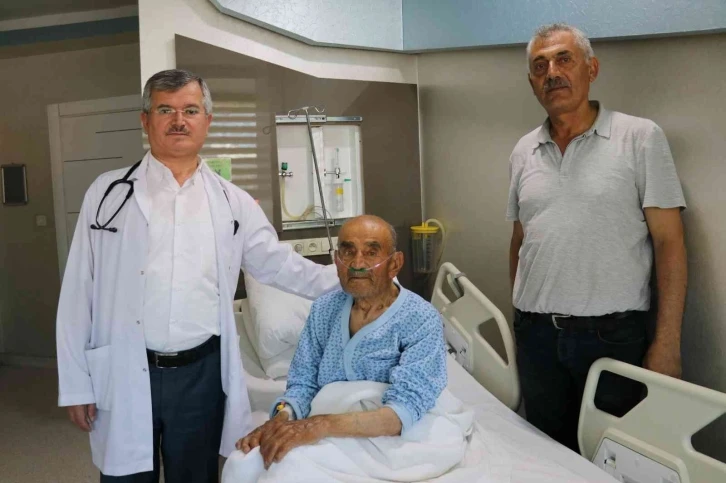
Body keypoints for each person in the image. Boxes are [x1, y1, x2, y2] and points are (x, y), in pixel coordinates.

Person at [56, 69, 339, 482]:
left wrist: (345, 279)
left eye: (190, 110)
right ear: (145, 120)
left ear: (207, 120)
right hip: (125, 367)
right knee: (124, 477)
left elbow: (279, 264)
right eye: (165, 110)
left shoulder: (231, 201)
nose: (178, 120)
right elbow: (78, 291)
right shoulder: (107, 194)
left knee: (196, 476)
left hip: (201, 375)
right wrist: (76, 384)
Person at [507, 24, 687, 451]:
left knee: (613, 456)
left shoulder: (638, 138)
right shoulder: (523, 151)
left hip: (611, 339)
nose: (552, 73)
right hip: (537, 339)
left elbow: (670, 243)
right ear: (532, 82)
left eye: (564, 59)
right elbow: (520, 240)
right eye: (540, 66)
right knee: (547, 457)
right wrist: (521, 319)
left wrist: (667, 342)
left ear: (591, 69)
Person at [236, 215, 448, 469]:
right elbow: (302, 384)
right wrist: (281, 418)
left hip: (391, 436)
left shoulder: (420, 318)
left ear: (395, 263)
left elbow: (403, 412)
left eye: (371, 253)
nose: (357, 264)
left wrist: (320, 425)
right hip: (326, 427)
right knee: (246, 464)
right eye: (348, 252)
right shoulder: (324, 310)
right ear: (337, 261)